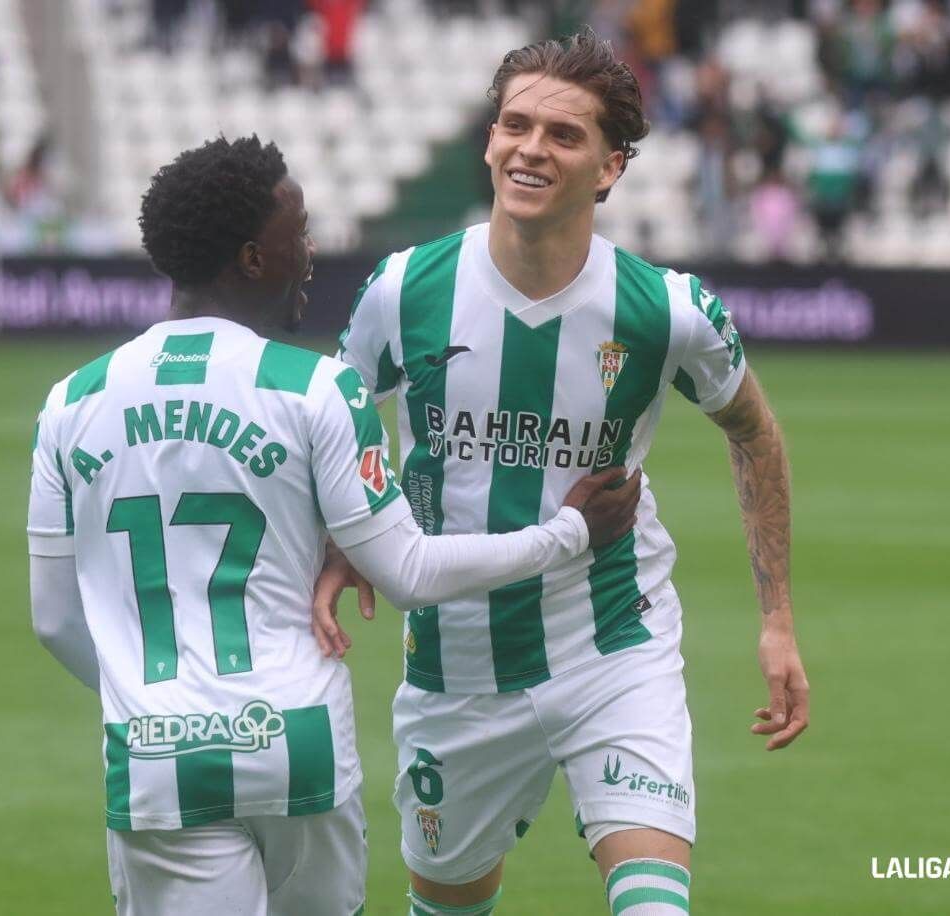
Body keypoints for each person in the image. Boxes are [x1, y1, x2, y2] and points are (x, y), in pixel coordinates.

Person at [26, 135, 641, 916]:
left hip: (157, 755)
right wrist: (569, 533)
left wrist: (152, 694)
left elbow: (53, 620)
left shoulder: (70, 403)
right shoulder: (316, 389)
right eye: (299, 233)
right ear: (252, 258)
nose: (311, 253)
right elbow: (407, 573)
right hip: (298, 744)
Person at [325, 30, 808, 916]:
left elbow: (756, 434)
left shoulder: (667, 310)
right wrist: (339, 546)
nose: (530, 148)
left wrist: (776, 621)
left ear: (611, 167)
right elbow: (335, 429)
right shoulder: (404, 291)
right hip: (456, 661)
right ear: (489, 139)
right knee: (448, 905)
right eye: (515, 125)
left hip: (613, 643)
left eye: (564, 135)